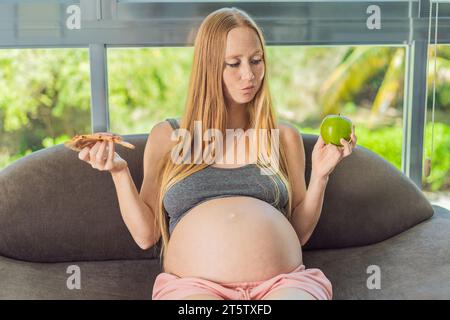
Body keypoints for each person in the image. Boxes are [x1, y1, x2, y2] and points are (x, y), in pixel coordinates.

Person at [78, 7, 357, 300]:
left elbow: (298, 234)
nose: (249, 75)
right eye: (233, 64)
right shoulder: (171, 137)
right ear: (209, 67)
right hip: (194, 288)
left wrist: (322, 176)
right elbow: (146, 236)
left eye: (256, 60)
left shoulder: (282, 136)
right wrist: (119, 172)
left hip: (282, 283)